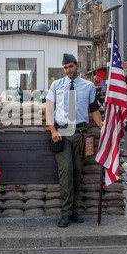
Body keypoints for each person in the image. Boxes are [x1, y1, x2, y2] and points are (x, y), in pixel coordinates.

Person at [46, 53, 103, 228]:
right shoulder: (56, 85)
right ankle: (65, 212)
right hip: (62, 134)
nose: (68, 70)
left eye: (70, 66)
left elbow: (94, 110)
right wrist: (53, 130)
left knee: (78, 172)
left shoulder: (88, 86)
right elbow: (49, 109)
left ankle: (73, 210)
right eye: (65, 68)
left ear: (77, 65)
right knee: (66, 172)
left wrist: (102, 126)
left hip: (80, 133)